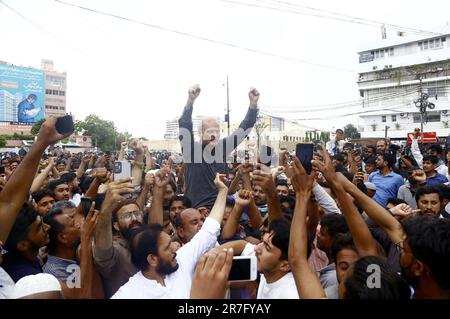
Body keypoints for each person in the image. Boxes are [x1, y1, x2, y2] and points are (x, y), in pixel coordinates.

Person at [111, 173, 228, 299]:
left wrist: (222, 191)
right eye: (167, 247)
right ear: (152, 259)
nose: (175, 248)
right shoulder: (129, 293)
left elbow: (209, 230)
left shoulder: (181, 260)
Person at [178, 84, 259, 209]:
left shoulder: (222, 148)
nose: (214, 135)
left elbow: (243, 130)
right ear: (200, 134)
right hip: (196, 212)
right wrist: (190, 101)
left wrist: (253, 105)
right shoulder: (191, 151)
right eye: (209, 131)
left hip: (220, 211)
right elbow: (184, 125)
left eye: (216, 131)